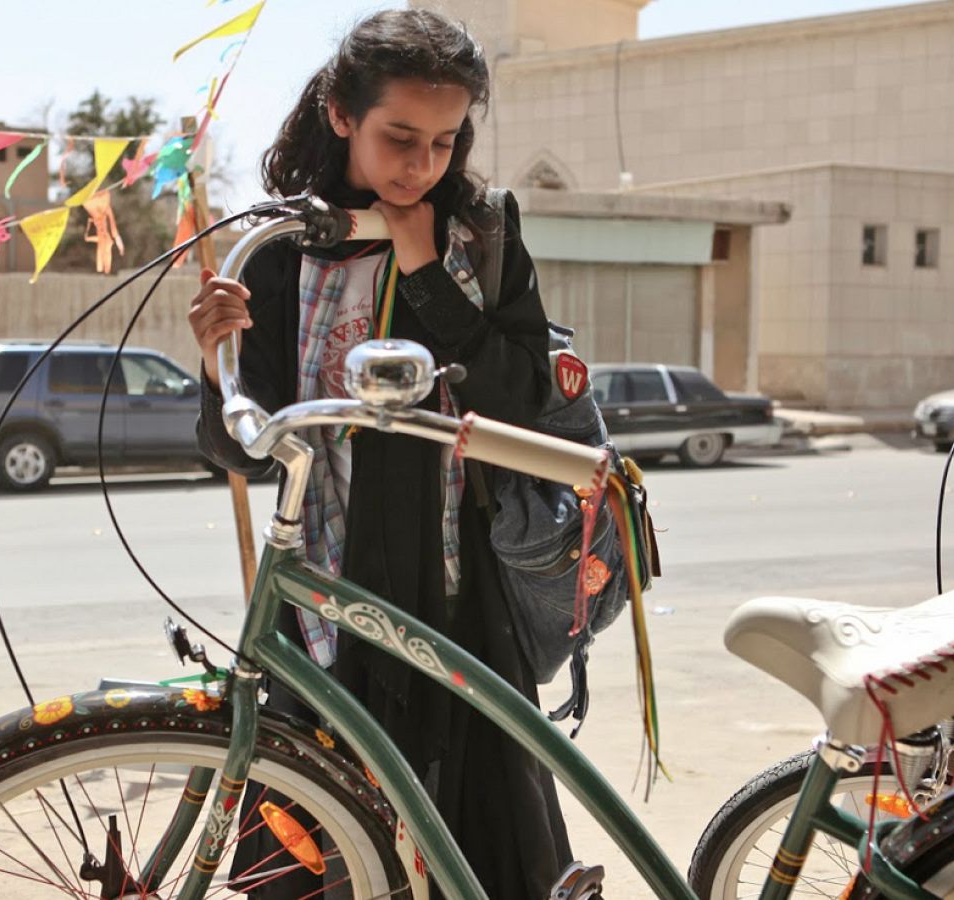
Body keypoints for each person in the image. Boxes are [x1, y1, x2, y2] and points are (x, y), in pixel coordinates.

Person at [190, 9, 571, 896]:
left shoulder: (482, 234)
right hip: (324, 595)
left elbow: (522, 398)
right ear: (340, 114)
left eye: (444, 141)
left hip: (460, 594)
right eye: (399, 137)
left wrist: (427, 271)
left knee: (476, 846)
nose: (421, 165)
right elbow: (251, 452)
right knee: (317, 837)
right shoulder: (281, 247)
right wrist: (213, 364)